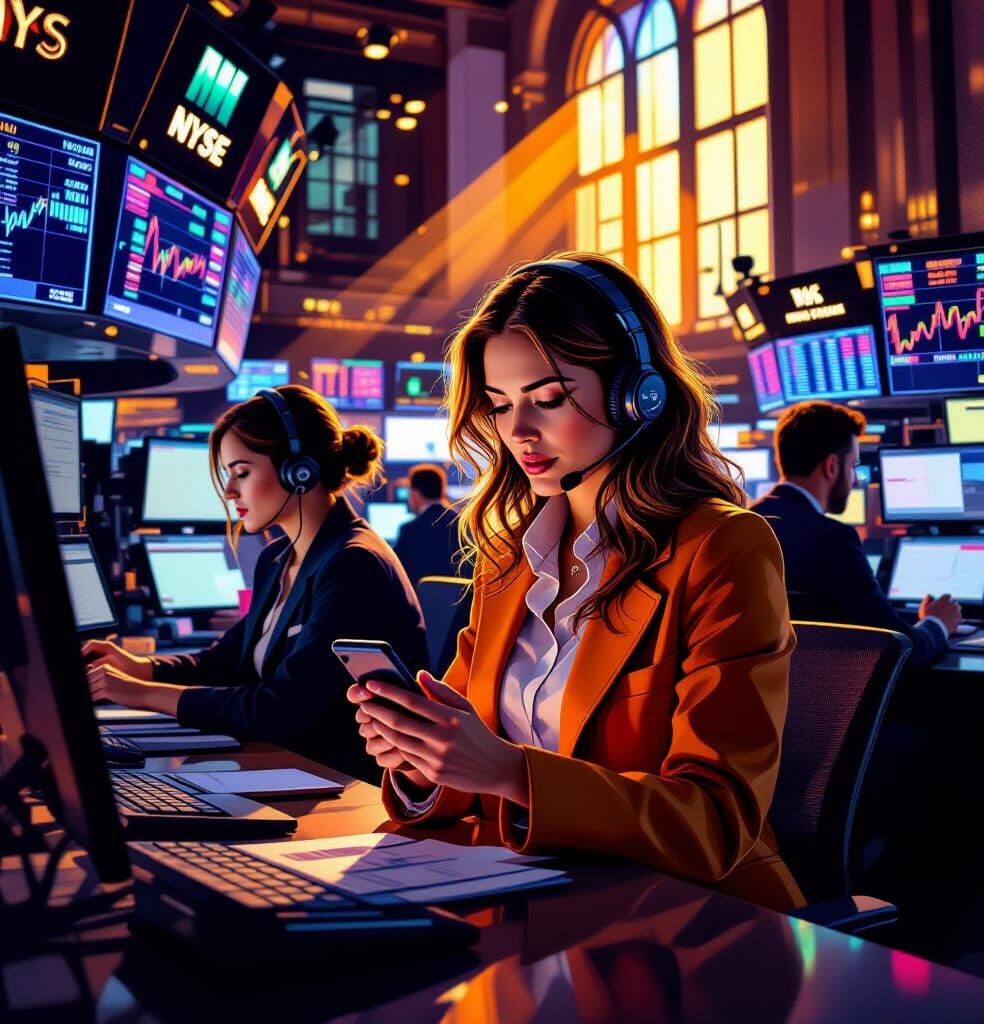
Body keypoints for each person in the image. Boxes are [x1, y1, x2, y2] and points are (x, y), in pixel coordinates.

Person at [347, 252, 804, 912]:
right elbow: (467, 774)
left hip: (686, 922)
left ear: (637, 394)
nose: (518, 433)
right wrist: (421, 759)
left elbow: (717, 819)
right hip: (533, 898)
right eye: (501, 406)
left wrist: (510, 772)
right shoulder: (510, 559)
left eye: (549, 399)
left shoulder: (721, 547)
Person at [86, 385, 427, 781]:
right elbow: (225, 662)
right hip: (292, 767)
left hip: (342, 784)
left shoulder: (353, 564)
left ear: (299, 471)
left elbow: (279, 709)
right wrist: (140, 668)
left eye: (242, 472)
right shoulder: (278, 558)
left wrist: (138, 693)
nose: (230, 491)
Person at [750, 400, 961, 665]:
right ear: (832, 466)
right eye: (854, 465)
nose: (856, 479)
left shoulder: (746, 523)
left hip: (769, 697)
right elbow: (902, 648)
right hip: (826, 698)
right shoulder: (832, 540)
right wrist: (937, 622)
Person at [394, 463, 465, 584]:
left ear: (415, 494)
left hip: (421, 601)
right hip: (460, 601)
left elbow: (398, 575)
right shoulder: (462, 524)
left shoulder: (409, 531)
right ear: (442, 491)